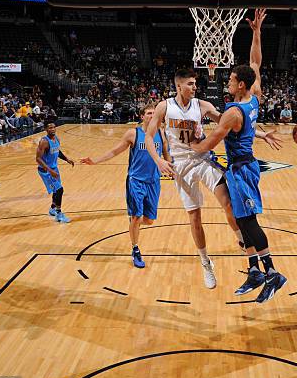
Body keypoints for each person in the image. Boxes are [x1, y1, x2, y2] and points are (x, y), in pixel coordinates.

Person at [145, 66, 281, 288]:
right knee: (195, 218)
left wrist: (261, 133)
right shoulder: (164, 107)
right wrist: (159, 160)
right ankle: (206, 263)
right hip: (181, 165)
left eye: (195, 83)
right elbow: (150, 138)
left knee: (229, 203)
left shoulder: (202, 105)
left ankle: (242, 240)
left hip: (204, 159)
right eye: (190, 84)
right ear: (178, 85)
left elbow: (230, 123)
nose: (195, 87)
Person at [191, 9, 288, 303]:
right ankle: (254, 270)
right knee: (240, 219)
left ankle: (272, 273)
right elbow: (256, 62)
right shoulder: (253, 97)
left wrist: (189, 149)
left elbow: (210, 142)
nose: (228, 82)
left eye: (231, 80)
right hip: (241, 168)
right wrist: (256, 32)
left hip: (242, 170)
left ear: (241, 85)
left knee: (248, 222)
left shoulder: (234, 112)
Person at [81, 103, 173, 268]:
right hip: (135, 181)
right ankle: (135, 249)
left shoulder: (160, 132)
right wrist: (95, 161)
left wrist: (170, 166)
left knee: (149, 220)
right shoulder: (133, 134)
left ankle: (134, 222)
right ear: (142, 116)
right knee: (137, 216)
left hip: (154, 181)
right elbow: (115, 151)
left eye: (154, 113)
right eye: (149, 113)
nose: (152, 116)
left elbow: (166, 151)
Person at [36, 123, 74, 222]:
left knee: (56, 190)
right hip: (46, 171)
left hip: (53, 169)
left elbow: (57, 151)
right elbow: (38, 159)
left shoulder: (56, 139)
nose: (52, 129)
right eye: (50, 128)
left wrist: (67, 159)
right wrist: (50, 170)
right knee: (60, 190)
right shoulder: (44, 142)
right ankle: (59, 214)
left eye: (54, 127)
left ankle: (52, 209)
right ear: (46, 129)